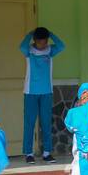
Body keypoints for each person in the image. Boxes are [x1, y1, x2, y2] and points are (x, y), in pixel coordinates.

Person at [19, 26, 66, 163]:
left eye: (45, 41)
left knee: (46, 123)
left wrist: (50, 33)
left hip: (46, 92)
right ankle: (28, 153)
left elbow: (62, 45)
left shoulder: (50, 50)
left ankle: (47, 153)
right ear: (35, 40)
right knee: (29, 123)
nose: (43, 45)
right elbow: (22, 45)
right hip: (30, 92)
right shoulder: (28, 51)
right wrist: (30, 33)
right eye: (40, 42)